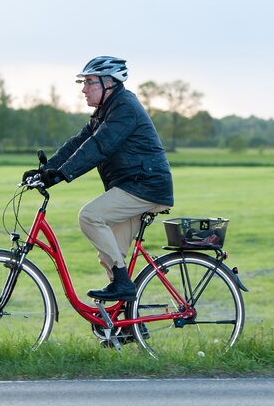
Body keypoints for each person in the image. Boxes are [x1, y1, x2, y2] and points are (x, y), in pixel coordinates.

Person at [23, 56, 173, 302]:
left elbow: (99, 146)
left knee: (90, 216)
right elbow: (78, 143)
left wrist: (61, 175)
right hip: (132, 185)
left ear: (109, 83)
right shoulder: (106, 111)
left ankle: (123, 286)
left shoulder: (125, 108)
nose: (83, 89)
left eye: (89, 82)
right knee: (110, 256)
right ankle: (122, 318)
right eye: (83, 82)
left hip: (145, 186)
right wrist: (45, 170)